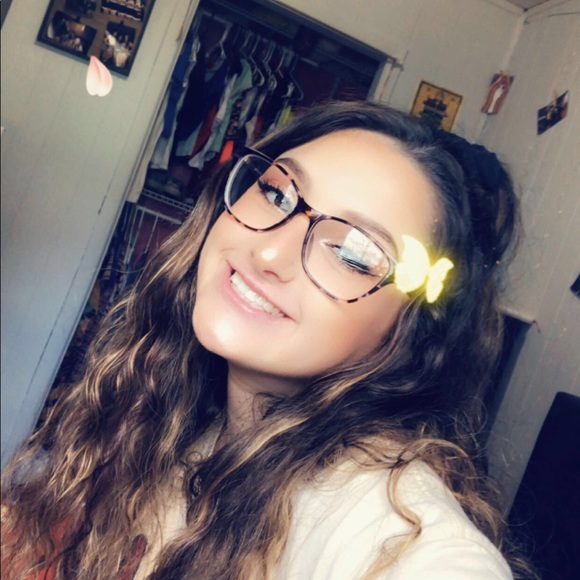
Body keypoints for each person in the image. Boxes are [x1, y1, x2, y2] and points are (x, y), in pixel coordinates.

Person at [1, 101, 534, 579]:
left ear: (411, 329)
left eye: (352, 252)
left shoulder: (388, 518)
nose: (269, 253)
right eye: (277, 193)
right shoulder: (184, 418)